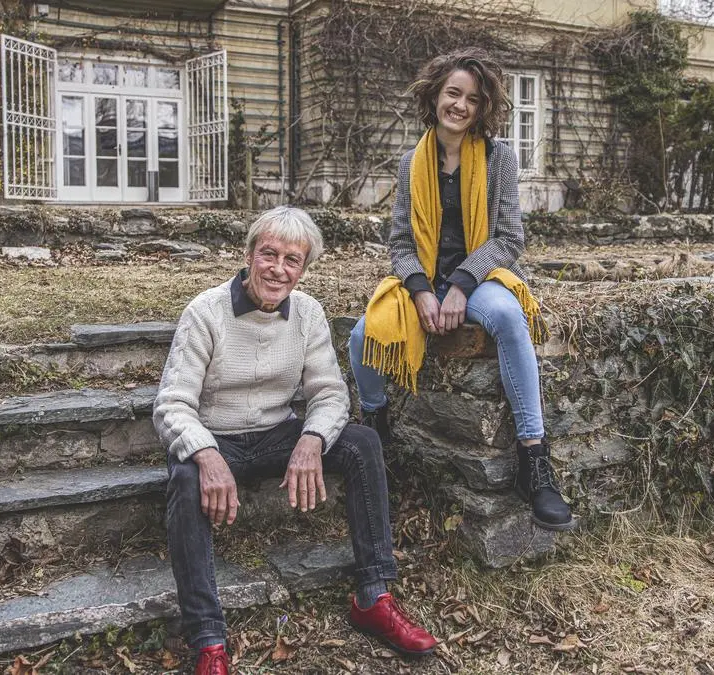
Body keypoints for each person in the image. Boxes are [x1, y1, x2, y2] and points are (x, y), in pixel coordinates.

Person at [154, 206, 438, 675]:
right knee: (185, 477)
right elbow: (172, 404)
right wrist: (205, 453)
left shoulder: (307, 313)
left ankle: (374, 596)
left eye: (292, 260)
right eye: (269, 254)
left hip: (277, 434)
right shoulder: (205, 311)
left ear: (304, 268)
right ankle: (208, 639)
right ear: (248, 255)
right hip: (215, 436)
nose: (278, 269)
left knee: (363, 442)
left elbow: (329, 394)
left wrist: (312, 439)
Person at [348, 48, 576, 532]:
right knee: (362, 336)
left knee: (509, 318)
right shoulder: (412, 162)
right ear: (435, 96)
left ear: (482, 107)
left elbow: (509, 238)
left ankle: (534, 460)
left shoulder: (498, 159)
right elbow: (401, 242)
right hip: (426, 281)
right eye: (453, 93)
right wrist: (420, 290)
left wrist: (459, 285)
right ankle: (376, 432)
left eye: (472, 99)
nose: (461, 105)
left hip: (480, 278)